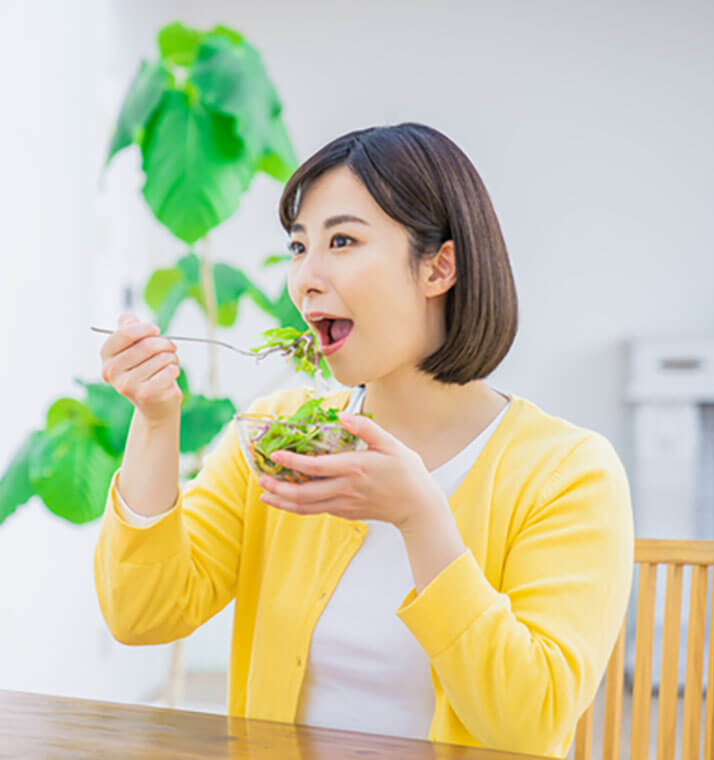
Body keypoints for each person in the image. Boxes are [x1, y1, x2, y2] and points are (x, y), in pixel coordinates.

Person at [94, 123, 633, 758]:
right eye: (299, 248)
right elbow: (143, 613)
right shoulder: (282, 435)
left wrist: (420, 516)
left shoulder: (568, 474)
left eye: (342, 240)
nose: (305, 281)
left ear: (439, 267)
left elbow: (526, 723)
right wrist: (156, 421)